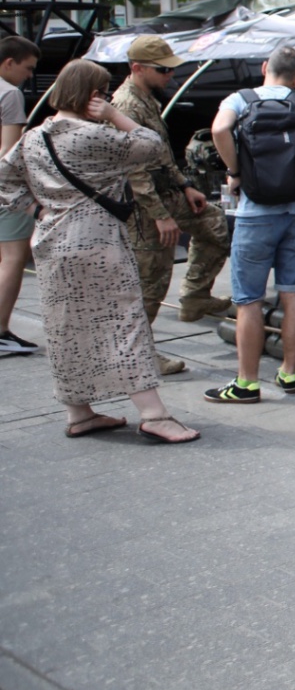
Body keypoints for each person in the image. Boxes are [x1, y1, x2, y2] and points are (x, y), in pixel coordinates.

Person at [0, 60, 198, 442]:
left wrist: (38, 206)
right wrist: (113, 115)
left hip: (50, 239)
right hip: (97, 239)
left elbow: (4, 178)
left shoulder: (34, 137)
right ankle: (154, 414)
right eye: (103, 91)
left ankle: (80, 413)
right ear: (92, 95)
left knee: (65, 328)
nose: (106, 97)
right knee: (123, 323)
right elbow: (152, 147)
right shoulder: (92, 136)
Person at [204, 45, 295, 404]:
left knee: (249, 300)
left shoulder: (240, 99)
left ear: (265, 67)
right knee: (294, 292)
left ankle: (246, 383)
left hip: (255, 215)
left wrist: (236, 170)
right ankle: (289, 372)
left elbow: (219, 129)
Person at [111, 37, 233, 372]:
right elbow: (134, 170)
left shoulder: (146, 99)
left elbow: (160, 153)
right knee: (151, 281)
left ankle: (195, 295)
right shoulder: (126, 105)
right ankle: (136, 355)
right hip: (145, 207)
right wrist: (161, 216)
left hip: (167, 193)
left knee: (214, 223)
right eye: (163, 69)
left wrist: (185, 185)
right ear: (137, 68)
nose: (170, 75)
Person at [0, 35, 41, 353]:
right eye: (27, 69)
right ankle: (0, 330)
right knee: (13, 258)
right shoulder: (9, 94)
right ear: (8, 63)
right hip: (4, 190)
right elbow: (9, 151)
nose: (29, 76)